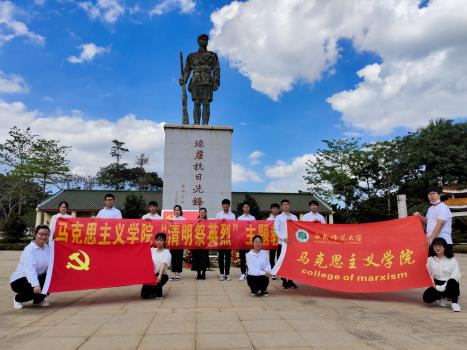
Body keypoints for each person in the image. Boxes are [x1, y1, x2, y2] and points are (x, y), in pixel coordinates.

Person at [179, 33, 220, 125]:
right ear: (198, 41)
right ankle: (196, 124)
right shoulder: (191, 56)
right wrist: (183, 79)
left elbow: (216, 69)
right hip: (196, 80)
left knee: (206, 103)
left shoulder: (212, 55)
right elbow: (187, 70)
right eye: (202, 39)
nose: (204, 41)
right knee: (196, 103)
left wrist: (216, 82)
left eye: (206, 40)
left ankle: (205, 124)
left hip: (207, 80)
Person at [10, 225, 51, 309]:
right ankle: (18, 299)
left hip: (38, 277)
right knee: (36, 289)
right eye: (41, 234)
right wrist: (35, 285)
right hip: (20, 280)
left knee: (51, 281)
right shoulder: (29, 250)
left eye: (47, 234)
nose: (44, 237)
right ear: (35, 234)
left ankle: (38, 300)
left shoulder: (48, 248)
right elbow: (30, 270)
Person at [423, 237, 461, 312]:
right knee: (426, 298)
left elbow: (456, 275)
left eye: (440, 246)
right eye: (435, 246)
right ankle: (440, 297)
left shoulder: (452, 260)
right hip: (436, 283)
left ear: (445, 247)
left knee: (453, 282)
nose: (437, 248)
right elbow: (428, 273)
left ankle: (454, 303)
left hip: (449, 284)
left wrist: (442, 287)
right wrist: (432, 284)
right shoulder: (430, 260)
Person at [414, 186, 453, 251]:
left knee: (444, 261)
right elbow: (427, 222)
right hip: (432, 241)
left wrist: (431, 238)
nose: (431, 196)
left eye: (434, 193)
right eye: (429, 194)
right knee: (432, 261)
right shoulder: (430, 209)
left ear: (439, 195)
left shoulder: (443, 207)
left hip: (443, 241)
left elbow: (440, 223)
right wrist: (419, 216)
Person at [274, 199, 298, 289]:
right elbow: (276, 229)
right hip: (282, 243)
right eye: (284, 204)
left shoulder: (294, 217)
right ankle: (284, 281)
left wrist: (292, 221)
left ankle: (291, 280)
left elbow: (298, 229)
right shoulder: (279, 217)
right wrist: (283, 238)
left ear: (289, 205)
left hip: (292, 244)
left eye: (287, 204)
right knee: (283, 262)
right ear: (281, 206)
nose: (285, 206)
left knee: (291, 262)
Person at [141, 232, 171, 299]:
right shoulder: (152, 250)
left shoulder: (166, 252)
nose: (159, 242)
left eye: (161, 240)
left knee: (157, 283)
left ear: (164, 241)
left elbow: (162, 264)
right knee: (144, 294)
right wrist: (144, 243)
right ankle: (154, 292)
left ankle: (158, 294)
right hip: (152, 275)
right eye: (157, 240)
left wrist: (160, 275)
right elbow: (143, 250)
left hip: (162, 275)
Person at [216, 199, 236, 281]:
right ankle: (221, 274)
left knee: (228, 257)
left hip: (228, 238)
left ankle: (227, 274)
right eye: (224, 204)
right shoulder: (218, 214)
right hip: (220, 238)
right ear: (222, 205)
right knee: (220, 257)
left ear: (229, 205)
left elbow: (234, 226)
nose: (225, 205)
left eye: (227, 204)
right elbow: (216, 226)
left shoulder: (232, 215)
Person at [237, 202, 256, 281]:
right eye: (244, 207)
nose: (246, 208)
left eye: (247, 207)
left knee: (250, 257)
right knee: (242, 258)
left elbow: (255, 228)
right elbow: (237, 229)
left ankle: (249, 272)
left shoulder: (253, 218)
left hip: (250, 241)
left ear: (249, 208)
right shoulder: (239, 218)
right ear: (242, 209)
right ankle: (243, 273)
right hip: (242, 240)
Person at [192, 207, 210, 280]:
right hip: (197, 243)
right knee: (197, 259)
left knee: (204, 259)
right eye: (201, 212)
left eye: (203, 212)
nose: (202, 213)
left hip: (205, 244)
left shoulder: (208, 222)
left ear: (205, 213)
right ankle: (198, 273)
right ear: (199, 213)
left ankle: (204, 273)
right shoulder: (195, 221)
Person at [170, 204, 185, 280]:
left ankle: (178, 273)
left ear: (180, 211)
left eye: (178, 210)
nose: (176, 211)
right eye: (175, 210)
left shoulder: (183, 219)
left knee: (179, 258)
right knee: (173, 258)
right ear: (174, 211)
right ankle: (173, 273)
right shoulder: (171, 220)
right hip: (173, 242)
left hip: (180, 242)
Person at [267, 203, 280, 279]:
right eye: (273, 208)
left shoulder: (281, 218)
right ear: (271, 210)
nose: (275, 210)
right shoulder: (268, 219)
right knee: (271, 257)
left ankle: (278, 272)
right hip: (271, 240)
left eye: (276, 208)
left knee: (279, 257)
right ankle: (273, 272)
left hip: (280, 240)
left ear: (278, 210)